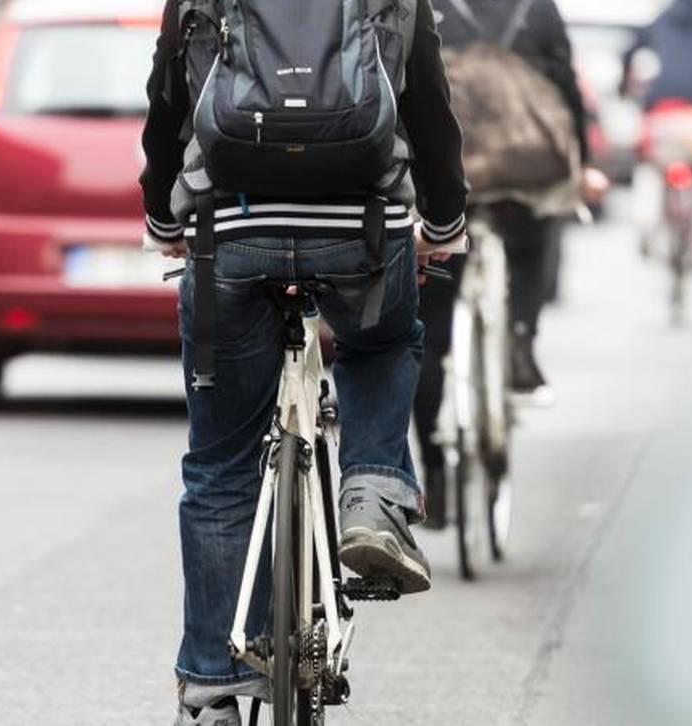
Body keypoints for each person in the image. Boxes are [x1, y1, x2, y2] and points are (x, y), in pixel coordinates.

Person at [139, 0, 467, 723]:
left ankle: (212, 692)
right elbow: (429, 105)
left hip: (230, 234)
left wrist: (164, 215)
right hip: (362, 232)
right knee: (381, 343)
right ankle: (373, 494)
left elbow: (168, 96)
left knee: (222, 466)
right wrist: (443, 221)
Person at [414, 0, 597, 525]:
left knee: (428, 336)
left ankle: (433, 470)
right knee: (535, 236)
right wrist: (581, 163)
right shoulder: (536, 8)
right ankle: (519, 337)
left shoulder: (426, 6)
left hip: (448, 176)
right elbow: (565, 87)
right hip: (522, 166)